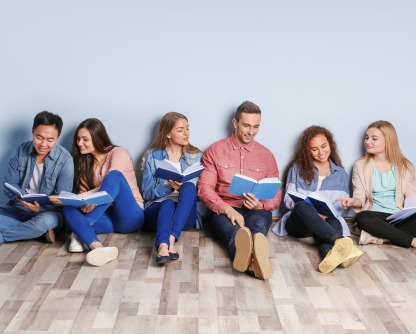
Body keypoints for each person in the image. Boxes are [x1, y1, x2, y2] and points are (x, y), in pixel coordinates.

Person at [198, 101, 280, 280]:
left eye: (256, 127)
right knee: (235, 233)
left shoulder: (267, 155)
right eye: (246, 125)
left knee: (257, 228)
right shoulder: (215, 150)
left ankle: (251, 260)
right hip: (224, 210)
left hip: (256, 210)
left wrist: (260, 204)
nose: (251, 132)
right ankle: (254, 262)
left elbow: (276, 195)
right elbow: (204, 189)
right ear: (235, 123)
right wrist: (227, 210)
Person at [272, 126, 363, 274]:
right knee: (301, 206)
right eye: (314, 149)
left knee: (335, 220)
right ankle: (339, 241)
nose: (321, 152)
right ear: (307, 151)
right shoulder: (297, 169)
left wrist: (344, 204)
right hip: (300, 224)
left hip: (326, 221)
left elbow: (339, 207)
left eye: (323, 146)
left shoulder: (340, 174)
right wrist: (314, 213)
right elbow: (288, 201)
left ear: (330, 145)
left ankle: (329, 255)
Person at [57, 118, 145, 266]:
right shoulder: (84, 163)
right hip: (106, 218)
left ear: (97, 138)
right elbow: (84, 197)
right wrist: (85, 203)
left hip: (130, 216)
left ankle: (85, 225)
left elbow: (113, 184)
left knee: (114, 176)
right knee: (68, 208)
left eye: (85, 139)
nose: (79, 143)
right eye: (78, 139)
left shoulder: (119, 153)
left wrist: (90, 199)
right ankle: (97, 248)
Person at [337, 120, 416, 248]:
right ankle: (411, 241)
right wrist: (352, 201)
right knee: (362, 218)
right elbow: (360, 197)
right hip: (374, 216)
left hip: (398, 217)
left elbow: (412, 197)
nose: (367, 142)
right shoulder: (360, 165)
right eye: (367, 138)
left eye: (374, 139)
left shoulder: (405, 166)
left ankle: (378, 236)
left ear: (388, 141)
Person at [0, 111, 73, 243]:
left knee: (43, 223)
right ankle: (36, 233)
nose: (43, 144)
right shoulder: (20, 150)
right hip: (18, 208)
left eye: (50, 140)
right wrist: (24, 200)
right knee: (35, 226)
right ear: (33, 131)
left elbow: (63, 199)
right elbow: (9, 184)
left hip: (48, 213)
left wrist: (39, 208)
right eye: (39, 137)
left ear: (57, 137)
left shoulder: (65, 160)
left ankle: (4, 236)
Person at [142, 112, 203, 264]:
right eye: (180, 130)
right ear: (168, 133)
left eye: (187, 129)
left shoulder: (196, 156)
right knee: (167, 203)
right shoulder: (152, 156)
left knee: (189, 186)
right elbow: (146, 194)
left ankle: (171, 238)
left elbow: (200, 194)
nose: (186, 133)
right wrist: (167, 188)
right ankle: (163, 246)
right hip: (157, 213)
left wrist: (182, 188)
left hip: (184, 217)